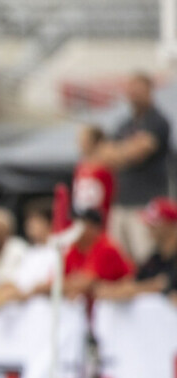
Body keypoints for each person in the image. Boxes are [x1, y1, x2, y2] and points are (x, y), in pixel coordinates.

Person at [100, 73, 172, 263]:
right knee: (119, 256)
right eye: (130, 89)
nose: (133, 94)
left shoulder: (157, 120)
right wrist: (127, 149)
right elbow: (104, 155)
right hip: (122, 200)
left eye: (137, 89)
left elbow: (141, 151)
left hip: (145, 203)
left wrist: (121, 152)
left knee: (144, 255)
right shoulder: (125, 124)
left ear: (148, 90)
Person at [98, 196, 177, 302]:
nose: (149, 227)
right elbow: (135, 281)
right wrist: (115, 290)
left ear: (170, 225)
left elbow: (161, 285)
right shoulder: (155, 258)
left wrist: (131, 290)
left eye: (155, 223)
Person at [64, 207, 134, 299]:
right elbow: (57, 279)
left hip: (118, 306)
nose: (74, 228)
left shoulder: (106, 247)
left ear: (94, 228)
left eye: (80, 224)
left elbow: (87, 283)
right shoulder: (74, 249)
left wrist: (66, 285)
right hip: (97, 306)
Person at [73, 124, 116, 227]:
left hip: (100, 220)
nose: (80, 143)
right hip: (82, 218)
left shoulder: (106, 168)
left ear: (94, 142)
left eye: (84, 140)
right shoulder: (80, 167)